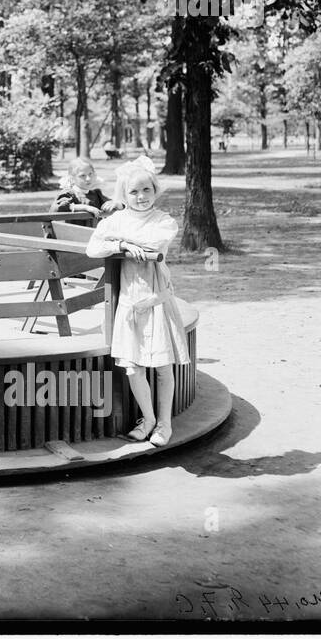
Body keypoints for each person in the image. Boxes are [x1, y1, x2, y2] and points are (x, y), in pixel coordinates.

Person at [84, 156, 194, 447]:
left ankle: (164, 424)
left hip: (155, 297)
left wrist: (127, 240)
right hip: (130, 299)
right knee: (133, 366)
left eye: (146, 190)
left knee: (161, 365)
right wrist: (120, 245)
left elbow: (154, 244)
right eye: (133, 192)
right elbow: (93, 248)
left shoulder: (163, 221)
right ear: (123, 195)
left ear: (155, 190)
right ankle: (147, 418)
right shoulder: (117, 220)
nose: (141, 197)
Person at [51, 157, 120, 218]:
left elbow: (110, 204)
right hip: (74, 231)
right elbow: (59, 207)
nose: (88, 178)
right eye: (82, 176)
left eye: (90, 174)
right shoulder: (68, 194)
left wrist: (117, 204)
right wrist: (85, 207)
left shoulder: (96, 194)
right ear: (72, 178)